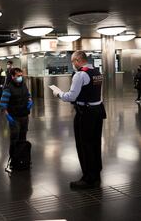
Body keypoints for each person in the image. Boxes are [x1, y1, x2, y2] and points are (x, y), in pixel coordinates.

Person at [51, 51, 106, 189]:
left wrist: (58, 93)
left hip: (85, 114)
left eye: (72, 61)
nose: (72, 64)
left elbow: (71, 96)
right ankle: (96, 171)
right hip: (97, 111)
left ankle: (88, 178)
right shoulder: (96, 72)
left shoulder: (80, 74)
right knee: (95, 142)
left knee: (84, 144)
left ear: (77, 60)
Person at [0, 68, 33, 154]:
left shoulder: (24, 85)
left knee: (23, 137)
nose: (20, 77)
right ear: (12, 76)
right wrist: (8, 116)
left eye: (21, 75)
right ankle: (13, 157)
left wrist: (30, 101)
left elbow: (28, 95)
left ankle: (22, 157)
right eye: (18, 76)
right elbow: (3, 105)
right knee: (15, 138)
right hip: (14, 118)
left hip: (25, 116)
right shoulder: (8, 88)